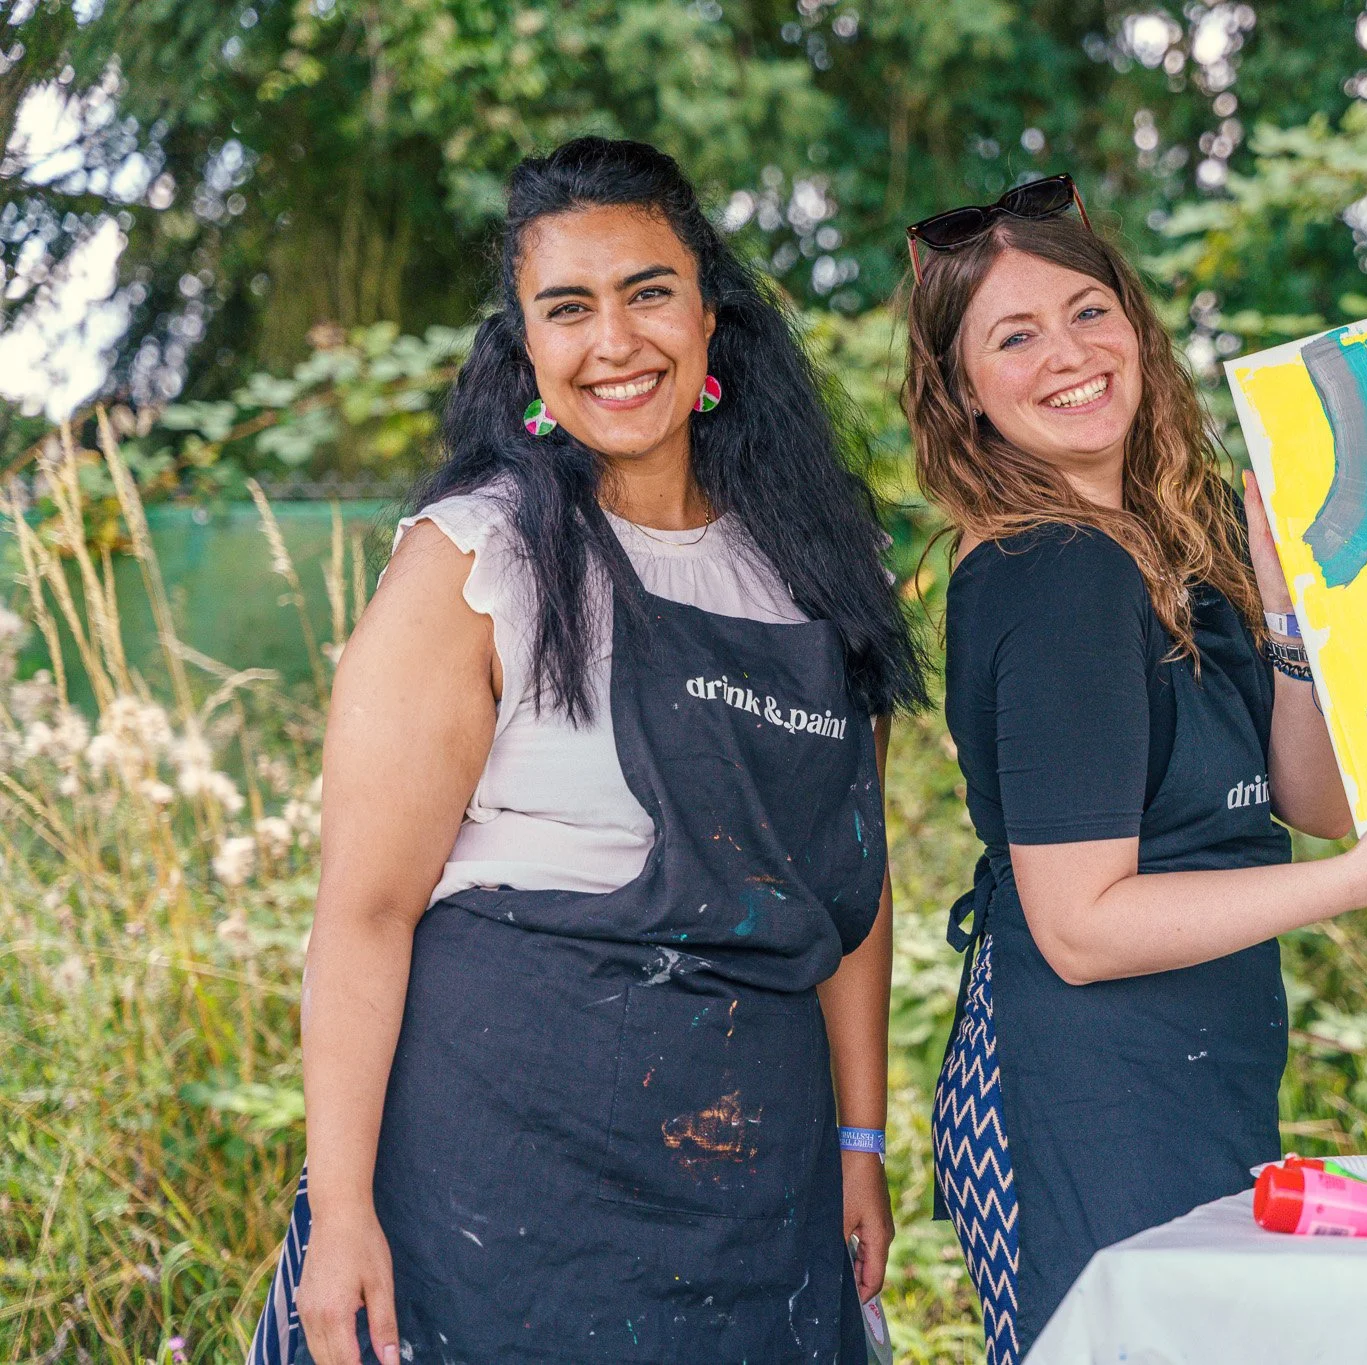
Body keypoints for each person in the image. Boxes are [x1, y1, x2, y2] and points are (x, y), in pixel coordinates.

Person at [248, 136, 925, 1365]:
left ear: (709, 316)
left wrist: (859, 1142)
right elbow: (364, 913)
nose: (614, 343)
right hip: (496, 1181)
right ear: (526, 348)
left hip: (752, 1178)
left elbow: (851, 886)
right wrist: (342, 1212)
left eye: (647, 292)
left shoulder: (823, 576)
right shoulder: (470, 563)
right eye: (568, 308)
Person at [901, 176, 1367, 1361]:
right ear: (961, 392)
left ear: (1137, 329)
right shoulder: (1056, 575)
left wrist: (1296, 623)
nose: (1068, 355)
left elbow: (1307, 799)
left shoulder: (1176, 548)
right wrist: (1366, 879)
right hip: (1086, 1086)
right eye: (1014, 335)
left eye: (1089, 313)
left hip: (1194, 1058)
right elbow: (1081, 928)